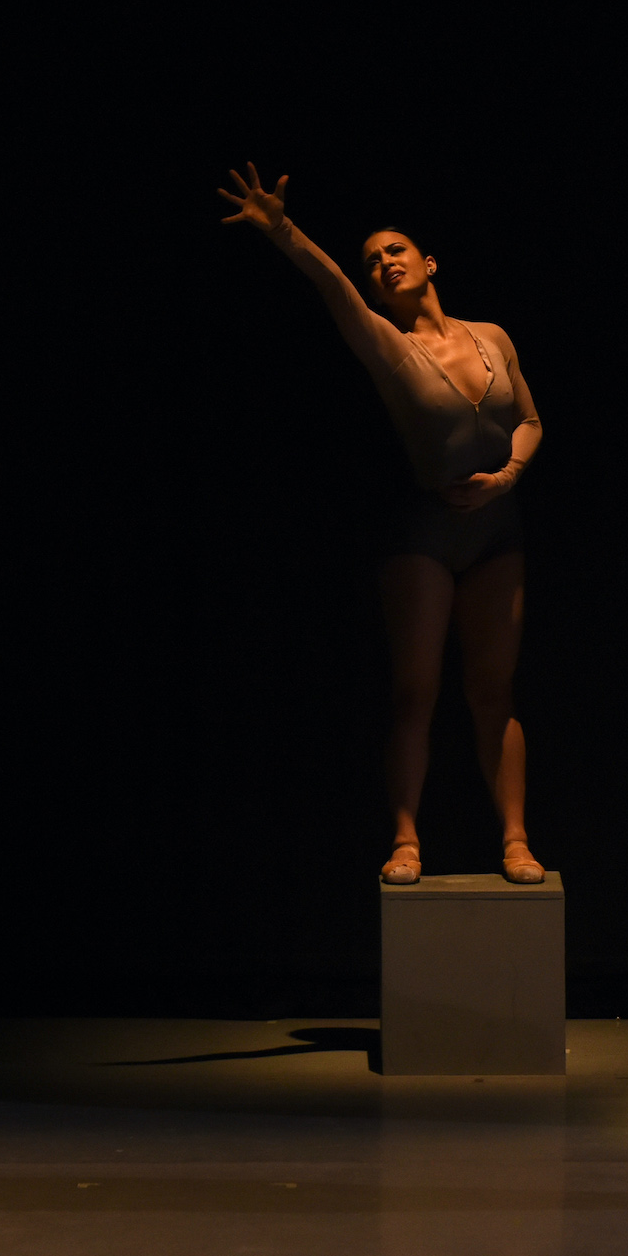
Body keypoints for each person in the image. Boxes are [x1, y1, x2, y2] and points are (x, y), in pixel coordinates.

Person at [217, 165, 543, 886]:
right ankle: (405, 836)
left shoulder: (493, 335)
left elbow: (529, 418)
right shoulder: (388, 346)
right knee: (415, 688)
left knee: (494, 689)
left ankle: (516, 838)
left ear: (428, 262)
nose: (382, 263)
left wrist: (506, 478)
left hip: (497, 524)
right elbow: (329, 283)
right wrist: (283, 230)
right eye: (371, 260)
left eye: (394, 249)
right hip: (422, 527)